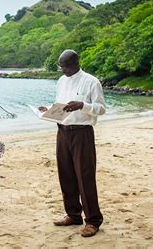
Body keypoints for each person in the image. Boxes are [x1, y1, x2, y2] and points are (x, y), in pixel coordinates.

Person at [40, 49, 105, 237]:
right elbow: (61, 106)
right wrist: (48, 110)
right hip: (62, 131)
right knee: (66, 175)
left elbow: (101, 109)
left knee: (85, 177)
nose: (62, 70)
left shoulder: (92, 82)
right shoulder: (61, 81)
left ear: (76, 63)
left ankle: (93, 221)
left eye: (65, 66)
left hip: (82, 133)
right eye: (60, 66)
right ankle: (73, 214)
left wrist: (83, 105)